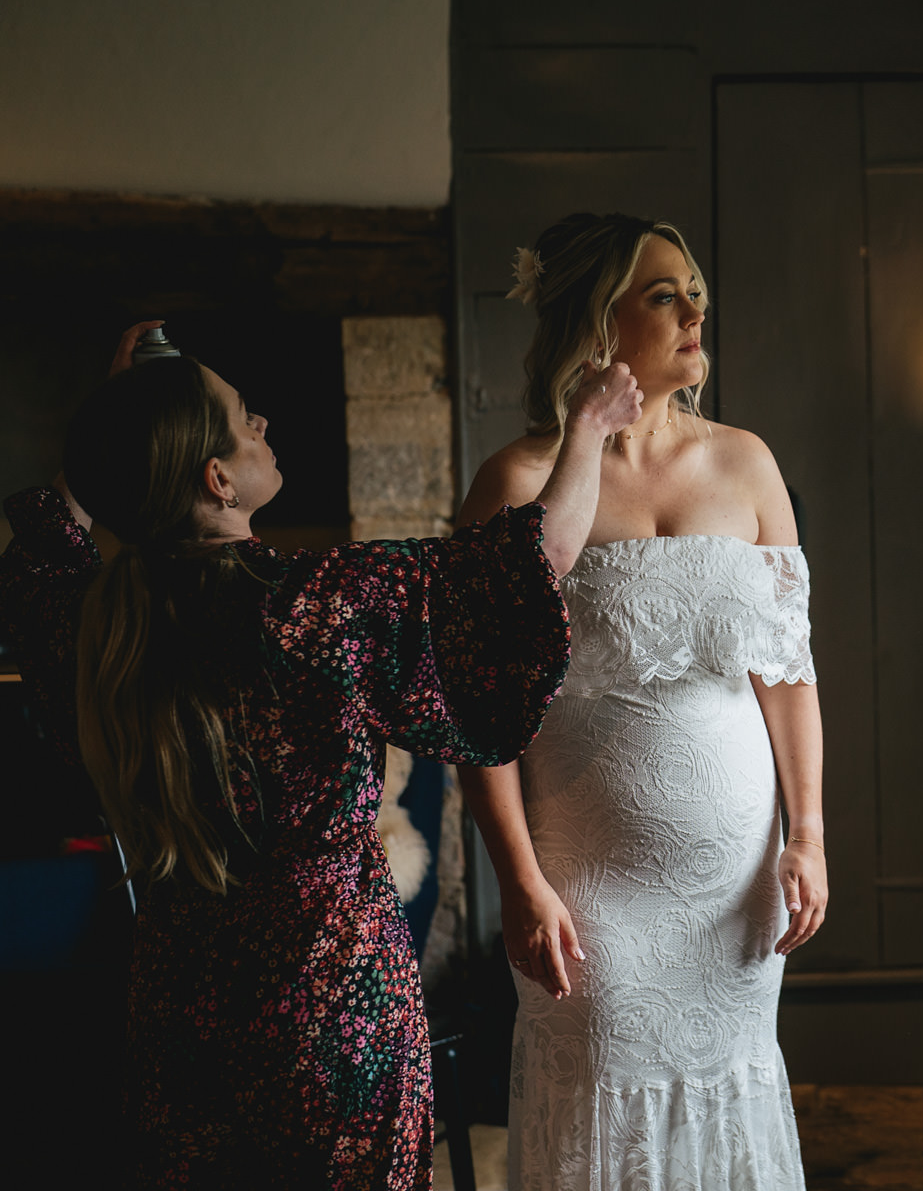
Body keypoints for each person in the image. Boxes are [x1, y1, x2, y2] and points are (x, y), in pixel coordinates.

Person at [0, 322, 641, 1188]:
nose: (262, 420)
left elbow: (44, 551)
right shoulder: (315, 605)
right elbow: (531, 563)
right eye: (241, 416)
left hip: (180, 1007)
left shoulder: (100, 627)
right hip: (331, 996)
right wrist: (591, 428)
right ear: (217, 479)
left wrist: (122, 421)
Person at [458, 213, 826, 1190]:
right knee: (604, 1107)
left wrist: (810, 832)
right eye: (663, 293)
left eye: (696, 288)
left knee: (729, 1094)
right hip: (589, 890)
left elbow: (788, 671)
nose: (695, 307)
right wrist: (521, 882)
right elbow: (476, 715)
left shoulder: (748, 464)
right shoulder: (517, 481)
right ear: (597, 317)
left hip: (736, 888)